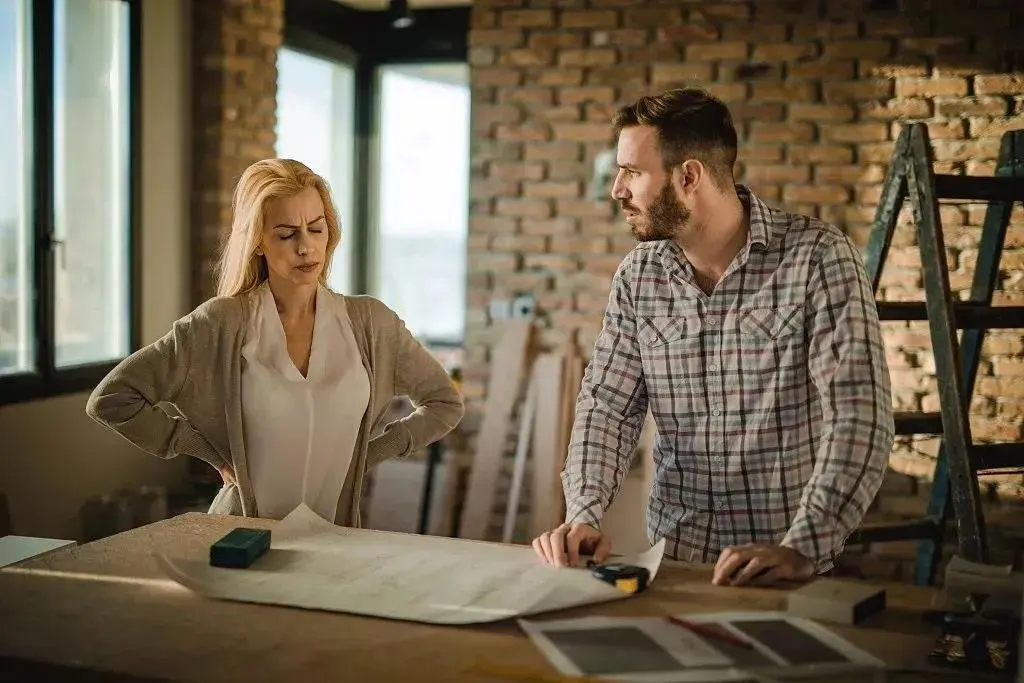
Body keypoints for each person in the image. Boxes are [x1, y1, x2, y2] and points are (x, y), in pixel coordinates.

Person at [532, 88, 894, 586]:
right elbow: (608, 406)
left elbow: (859, 415)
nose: (617, 188)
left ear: (689, 176)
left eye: (633, 172)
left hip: (782, 566)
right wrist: (583, 513)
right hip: (674, 559)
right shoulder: (639, 277)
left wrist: (804, 546)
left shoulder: (818, 259)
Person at [87, 158, 464, 525]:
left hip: (336, 542)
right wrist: (206, 451)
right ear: (258, 243)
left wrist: (370, 453)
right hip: (239, 538)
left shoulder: (371, 324)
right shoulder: (220, 324)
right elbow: (112, 399)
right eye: (286, 234)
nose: (306, 247)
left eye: (316, 229)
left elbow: (444, 403)